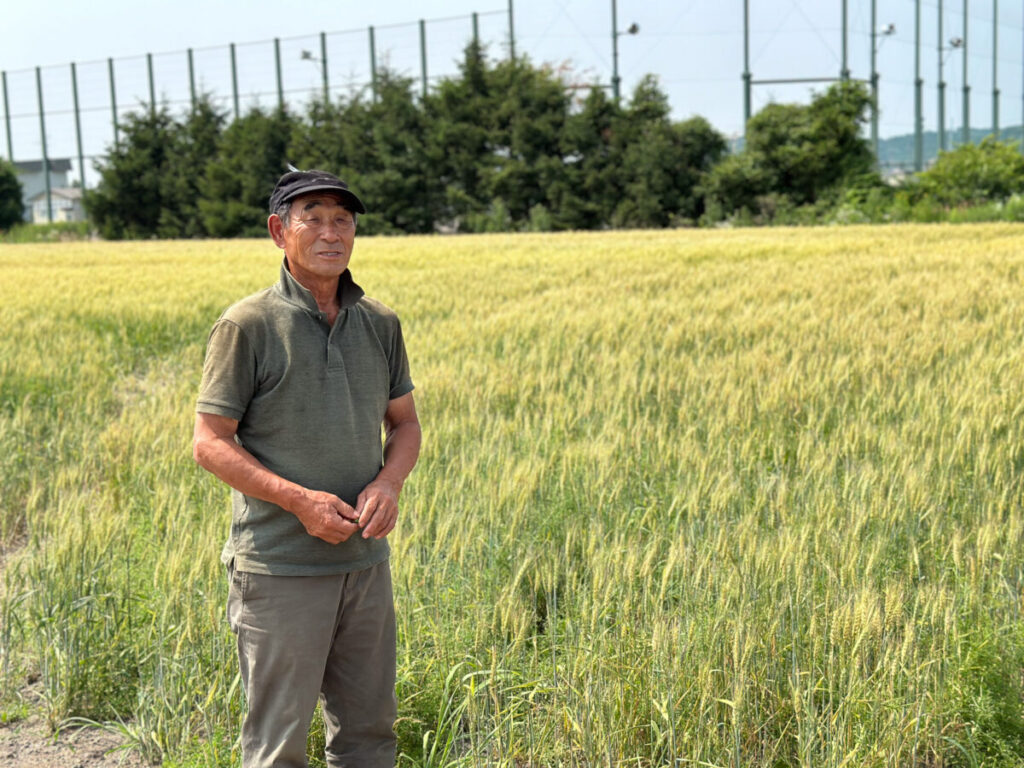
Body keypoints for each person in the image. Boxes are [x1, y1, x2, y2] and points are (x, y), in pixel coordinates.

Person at [192, 169, 421, 768]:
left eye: (342, 219)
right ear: (278, 231)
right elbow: (210, 443)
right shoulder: (248, 325)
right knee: (279, 746)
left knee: (370, 736)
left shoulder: (380, 322)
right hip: (280, 569)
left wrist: (388, 483)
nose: (330, 232)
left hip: (365, 567)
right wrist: (298, 501)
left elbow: (406, 424)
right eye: (312, 217)